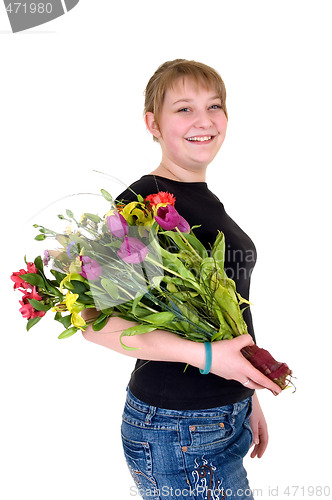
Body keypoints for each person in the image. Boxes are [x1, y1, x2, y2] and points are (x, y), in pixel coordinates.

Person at [82, 59, 281, 500]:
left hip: (219, 414)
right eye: (184, 109)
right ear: (152, 122)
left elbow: (227, 311)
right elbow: (97, 323)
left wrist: (247, 396)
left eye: (214, 105)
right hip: (177, 426)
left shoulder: (201, 196)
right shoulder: (141, 203)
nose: (205, 121)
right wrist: (209, 358)